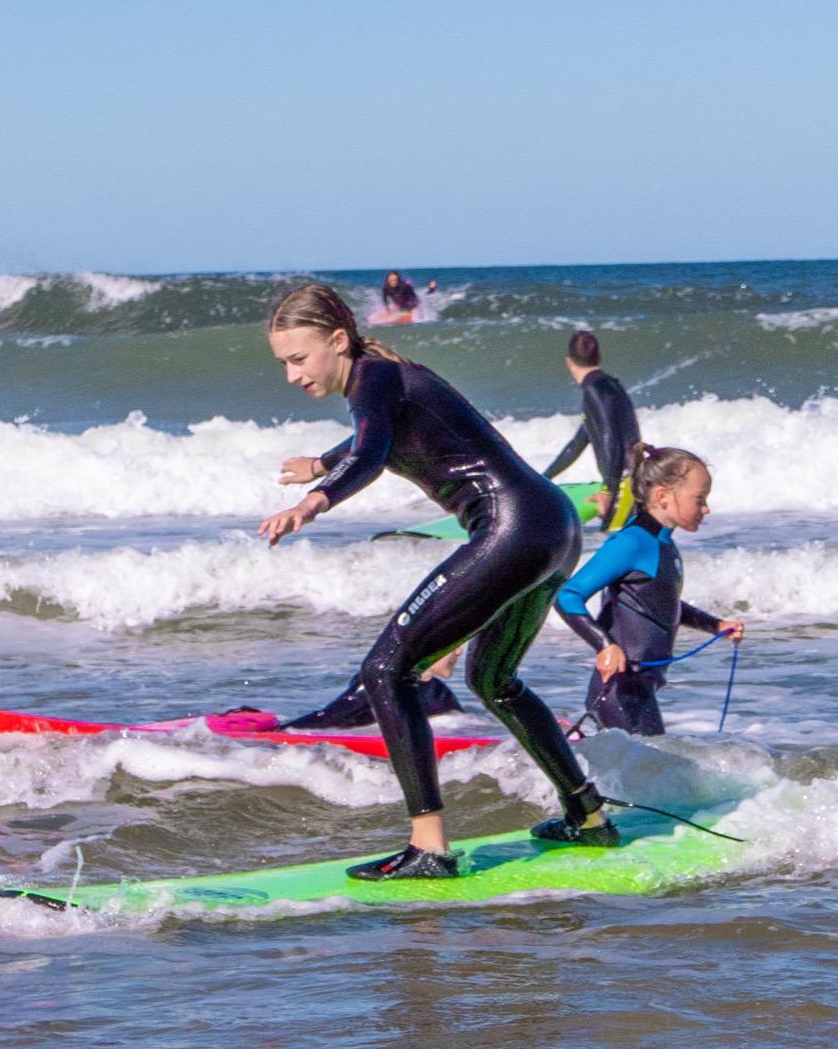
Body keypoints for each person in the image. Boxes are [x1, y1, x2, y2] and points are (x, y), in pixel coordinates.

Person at [258, 282, 617, 880]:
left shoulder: (372, 377)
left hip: (513, 527)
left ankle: (429, 847)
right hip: (551, 525)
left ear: (338, 341)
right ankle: (587, 816)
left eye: (299, 358)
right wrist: (322, 463)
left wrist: (317, 499)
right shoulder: (385, 379)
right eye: (284, 363)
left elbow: (371, 456)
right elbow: (374, 436)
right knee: (493, 680)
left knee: (384, 671)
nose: (293, 374)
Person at [555, 444, 745, 735]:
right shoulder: (632, 542)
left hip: (639, 686)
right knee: (657, 772)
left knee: (641, 769)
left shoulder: (664, 545)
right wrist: (605, 645)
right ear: (662, 497)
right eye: (699, 499)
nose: (706, 508)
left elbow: (662, 604)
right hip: (621, 688)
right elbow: (568, 595)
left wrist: (716, 625)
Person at [543, 330, 639, 530]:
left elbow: (610, 437)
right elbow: (578, 443)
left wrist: (608, 490)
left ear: (569, 362)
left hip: (623, 483)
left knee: (616, 542)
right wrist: (544, 478)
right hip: (631, 478)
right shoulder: (609, 386)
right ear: (599, 357)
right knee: (621, 541)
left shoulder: (595, 390)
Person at [282, 650, 463, 730]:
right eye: (453, 645)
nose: (459, 652)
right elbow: (334, 716)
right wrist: (279, 732)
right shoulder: (385, 681)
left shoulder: (437, 692)